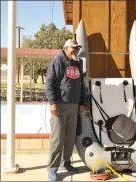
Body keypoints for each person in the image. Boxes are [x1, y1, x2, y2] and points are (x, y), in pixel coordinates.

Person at [45, 39, 86, 181]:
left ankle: (66, 164)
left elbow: (81, 85)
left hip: (74, 106)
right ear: (65, 48)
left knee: (70, 139)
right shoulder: (58, 61)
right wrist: (52, 103)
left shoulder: (77, 63)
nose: (75, 50)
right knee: (57, 139)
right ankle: (52, 169)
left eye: (77, 48)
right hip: (59, 106)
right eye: (73, 48)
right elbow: (49, 83)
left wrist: (81, 102)